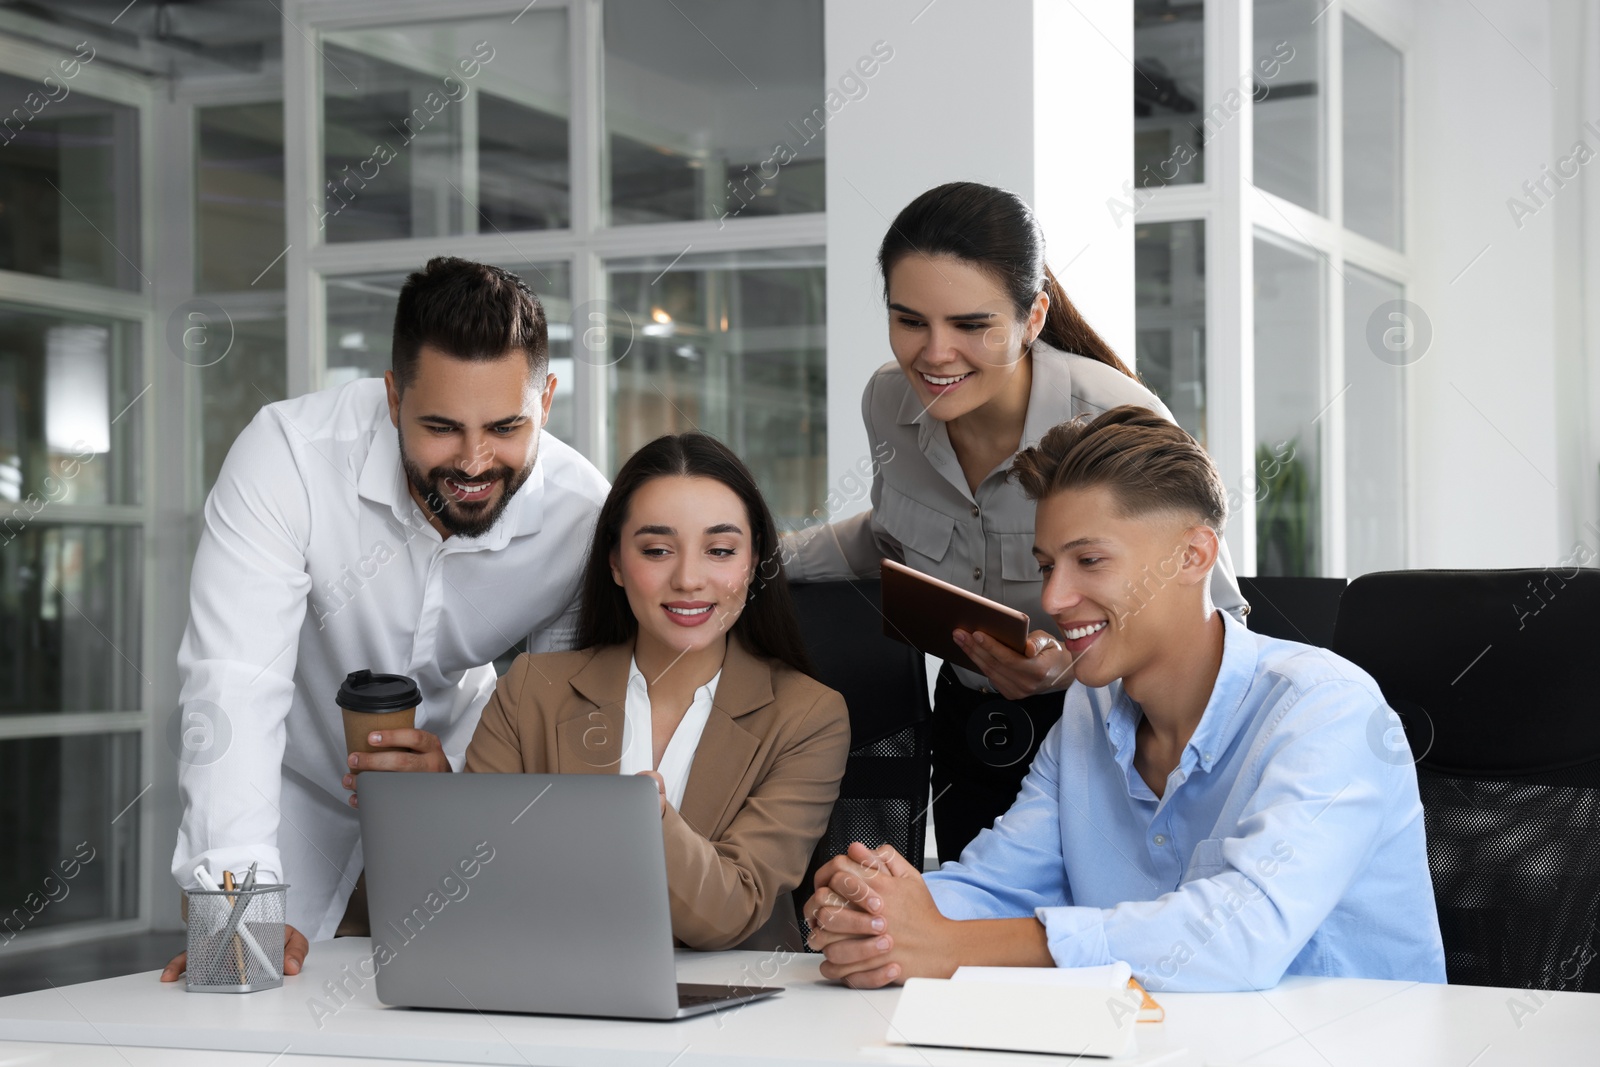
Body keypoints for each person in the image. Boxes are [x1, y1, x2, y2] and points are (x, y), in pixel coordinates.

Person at [804, 407, 1445, 992]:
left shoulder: (1325, 711)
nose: (1053, 599)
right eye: (1048, 564)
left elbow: (1238, 937)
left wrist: (944, 944)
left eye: (1089, 560)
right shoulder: (1091, 709)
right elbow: (998, 885)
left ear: (1193, 556)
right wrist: (878, 909)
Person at [161, 258, 609, 981]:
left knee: (457, 1013)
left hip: (457, 795)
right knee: (243, 996)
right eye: (440, 426)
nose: (473, 460)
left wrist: (459, 776)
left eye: (505, 426)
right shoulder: (287, 457)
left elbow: (551, 732)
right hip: (286, 790)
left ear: (547, 400)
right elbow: (231, 686)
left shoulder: (583, 518)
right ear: (393, 395)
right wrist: (231, 915)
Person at [784, 182, 1248, 860]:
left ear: (1033, 318)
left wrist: (1072, 670)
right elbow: (890, 529)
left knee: (1087, 939)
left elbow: (1220, 625)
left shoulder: (1114, 416)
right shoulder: (889, 400)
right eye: (910, 320)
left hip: (1107, 729)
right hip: (970, 726)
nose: (934, 354)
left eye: (972, 325)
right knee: (981, 927)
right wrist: (746, 557)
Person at [465, 433, 851, 950]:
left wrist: (642, 819)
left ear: (755, 562)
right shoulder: (530, 691)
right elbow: (475, 884)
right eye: (657, 550)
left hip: (734, 1011)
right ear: (617, 564)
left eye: (720, 550)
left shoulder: (808, 716)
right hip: (554, 994)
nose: (689, 579)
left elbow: (731, 911)